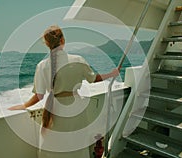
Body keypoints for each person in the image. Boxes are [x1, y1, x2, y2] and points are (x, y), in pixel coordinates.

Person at [8, 25, 119, 158]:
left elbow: (39, 96)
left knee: (54, 145)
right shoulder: (78, 60)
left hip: (53, 108)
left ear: (47, 44)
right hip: (76, 108)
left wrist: (23, 106)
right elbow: (94, 79)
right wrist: (112, 74)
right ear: (63, 40)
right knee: (77, 144)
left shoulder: (42, 65)